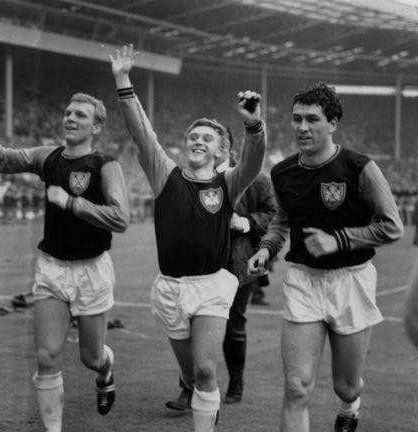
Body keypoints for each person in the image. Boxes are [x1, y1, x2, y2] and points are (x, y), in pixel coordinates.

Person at [111, 44, 266, 432]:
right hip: (170, 289)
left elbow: (253, 160)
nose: (198, 141)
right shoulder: (166, 175)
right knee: (193, 377)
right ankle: (198, 397)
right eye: (193, 136)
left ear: (220, 150)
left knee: (206, 369)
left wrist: (253, 125)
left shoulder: (227, 183)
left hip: (211, 285)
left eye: (207, 139)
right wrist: (122, 79)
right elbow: (142, 133)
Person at [0, 89, 129, 432]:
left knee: (90, 357)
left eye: (81, 115)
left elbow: (121, 217)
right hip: (52, 267)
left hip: (92, 269)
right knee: (47, 357)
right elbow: (2, 159)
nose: (70, 118)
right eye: (68, 112)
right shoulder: (48, 157)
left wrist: (71, 203)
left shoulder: (105, 164)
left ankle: (106, 369)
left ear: (96, 127)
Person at [247, 82, 403, 432]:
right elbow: (283, 220)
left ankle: (349, 408)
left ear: (333, 123)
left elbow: (392, 227)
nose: (302, 127)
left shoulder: (360, 168)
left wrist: (340, 240)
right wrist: (266, 247)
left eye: (312, 119)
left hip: (351, 280)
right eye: (296, 119)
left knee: (345, 385)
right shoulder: (283, 172)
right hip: (303, 281)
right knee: (297, 386)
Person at [216, 127, 278, 405]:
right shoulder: (192, 177)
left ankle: (235, 383)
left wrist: (246, 222)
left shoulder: (256, 179)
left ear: (228, 147)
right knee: (190, 322)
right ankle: (188, 386)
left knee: (233, 325)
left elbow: (274, 215)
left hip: (240, 263)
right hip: (199, 262)